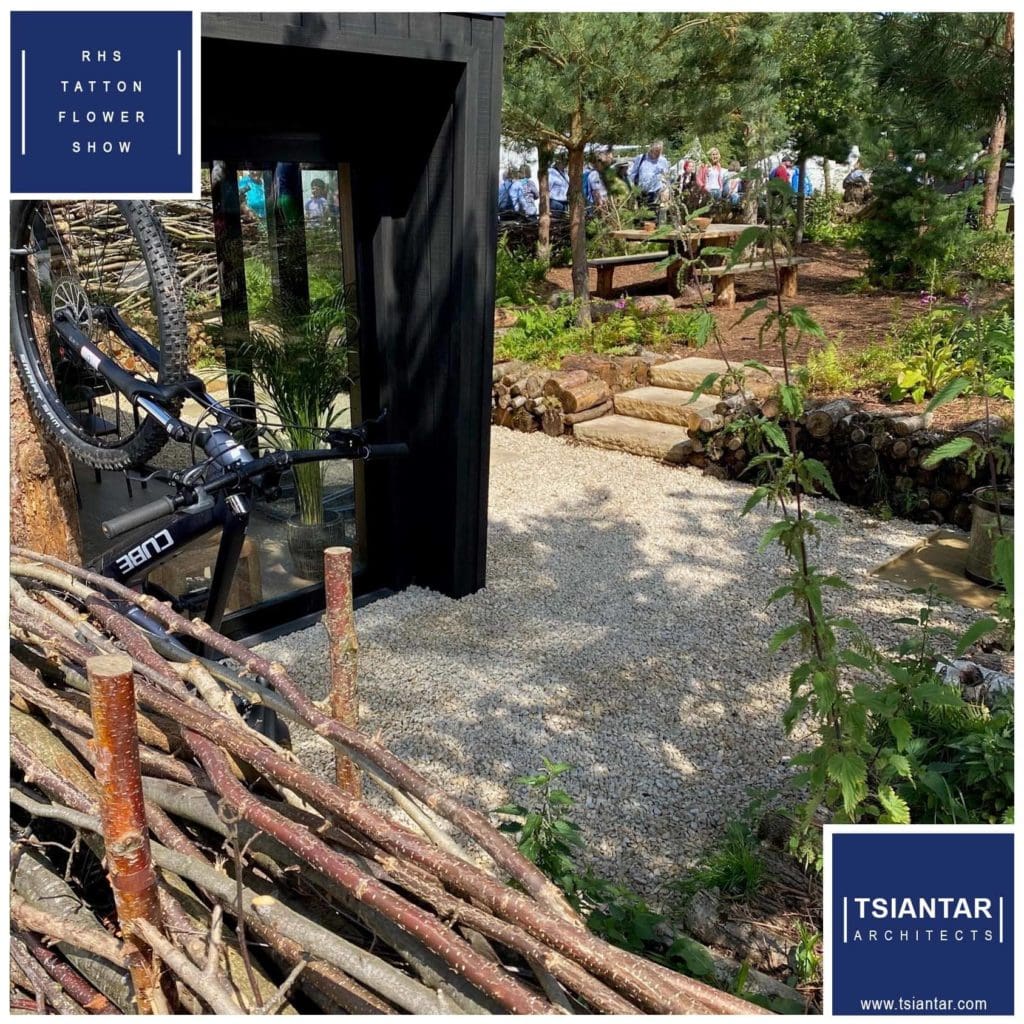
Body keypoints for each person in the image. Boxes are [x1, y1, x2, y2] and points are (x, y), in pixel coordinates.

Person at [629, 141, 671, 213]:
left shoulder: (663, 161)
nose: (658, 153)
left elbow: (666, 177)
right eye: (656, 151)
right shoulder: (641, 158)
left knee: (654, 215)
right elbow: (633, 173)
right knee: (641, 214)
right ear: (651, 150)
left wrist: (666, 190)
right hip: (641, 191)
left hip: (656, 192)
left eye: (660, 151)